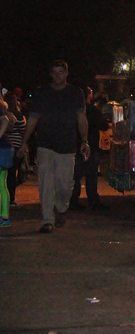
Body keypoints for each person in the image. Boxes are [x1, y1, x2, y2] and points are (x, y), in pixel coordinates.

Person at [18, 60, 89, 233]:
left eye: (61, 72)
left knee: (65, 185)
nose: (58, 76)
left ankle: (62, 208)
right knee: (46, 183)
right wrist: (24, 143)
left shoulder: (75, 93)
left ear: (66, 73)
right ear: (50, 74)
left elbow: (81, 119)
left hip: (67, 145)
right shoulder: (41, 93)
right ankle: (47, 220)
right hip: (45, 145)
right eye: (54, 72)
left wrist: (85, 141)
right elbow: (33, 119)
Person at [70, 87, 110, 211]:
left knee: (75, 177)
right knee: (91, 177)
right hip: (91, 147)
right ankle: (93, 202)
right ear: (88, 96)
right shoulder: (93, 110)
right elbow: (103, 126)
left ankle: (73, 201)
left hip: (76, 147)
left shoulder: (73, 111)